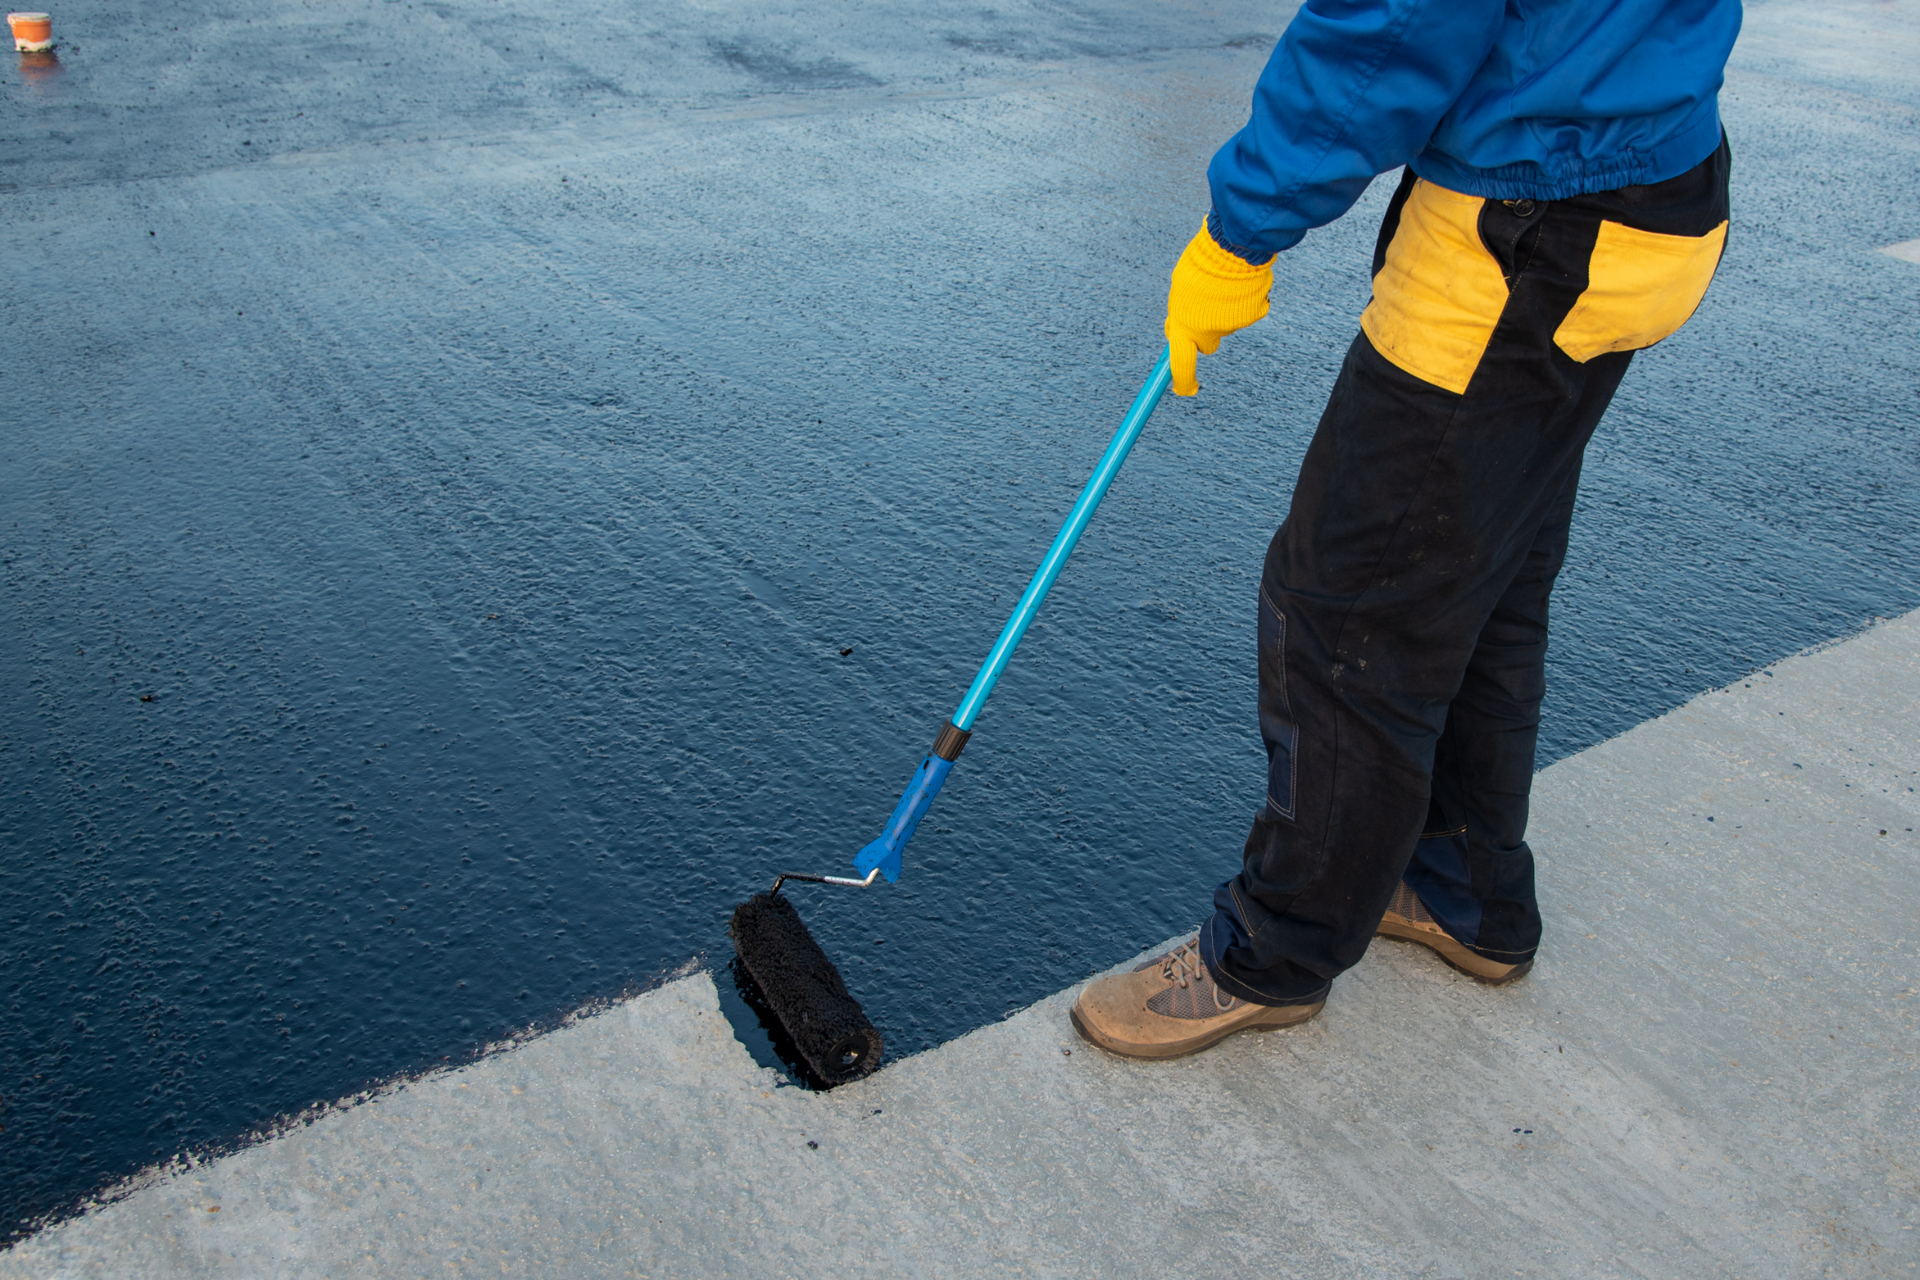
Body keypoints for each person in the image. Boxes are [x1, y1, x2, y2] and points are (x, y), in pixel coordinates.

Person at [1071, 0, 1742, 1059]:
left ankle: (1277, 949)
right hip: (1648, 184)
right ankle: (1461, 888)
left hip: (1526, 223)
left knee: (1345, 612)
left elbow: (1392, 25)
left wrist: (1243, 228)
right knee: (1486, 576)